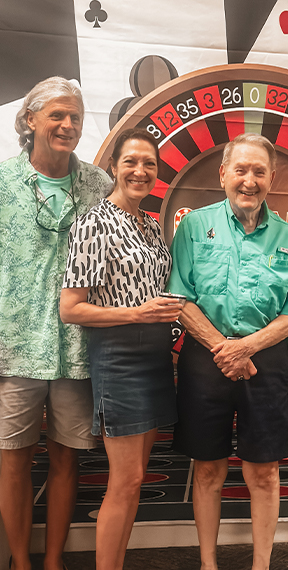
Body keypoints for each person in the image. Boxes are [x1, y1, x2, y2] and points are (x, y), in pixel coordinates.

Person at [167, 133, 288, 570]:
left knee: (264, 471)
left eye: (259, 172)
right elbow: (180, 298)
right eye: (240, 170)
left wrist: (247, 347)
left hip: (265, 360)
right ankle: (208, 564)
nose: (249, 180)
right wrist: (225, 349)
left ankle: (261, 565)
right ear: (223, 175)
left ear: (272, 178)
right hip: (204, 356)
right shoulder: (194, 227)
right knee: (208, 468)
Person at [0, 76, 111, 570]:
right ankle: (20, 563)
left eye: (76, 117)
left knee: (68, 456)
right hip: (15, 345)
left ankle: (53, 563)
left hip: (77, 347)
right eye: (57, 115)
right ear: (30, 120)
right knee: (13, 459)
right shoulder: (2, 183)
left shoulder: (99, 185)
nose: (68, 125)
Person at [60, 128, 182, 570]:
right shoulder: (93, 223)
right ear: (113, 166)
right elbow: (71, 308)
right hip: (119, 358)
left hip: (154, 357)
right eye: (131, 161)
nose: (140, 171)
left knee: (136, 479)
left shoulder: (152, 225)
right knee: (126, 479)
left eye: (149, 163)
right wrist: (136, 314)